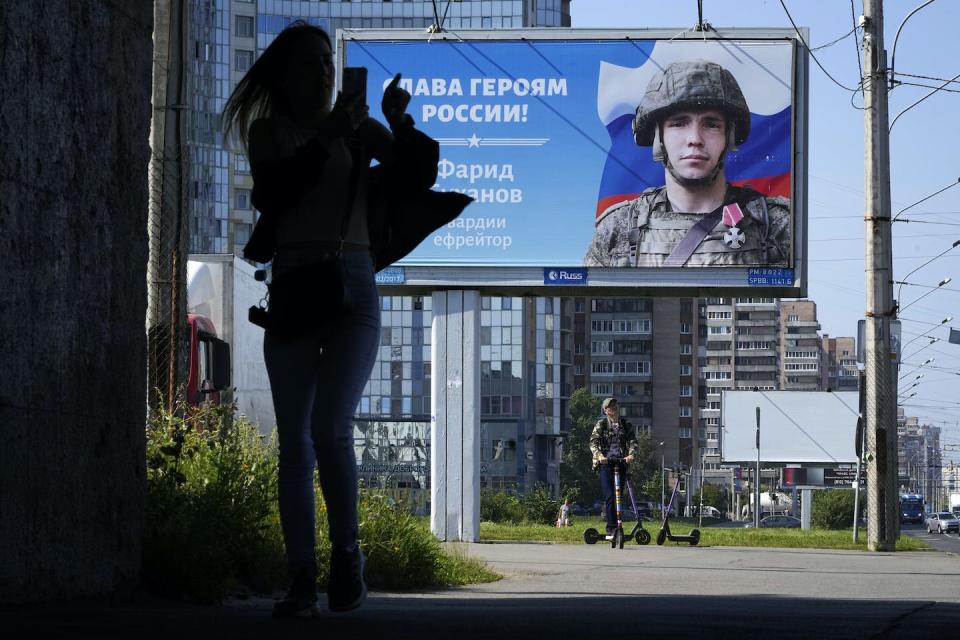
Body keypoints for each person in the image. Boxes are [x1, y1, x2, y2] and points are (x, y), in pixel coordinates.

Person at [222, 22, 469, 618]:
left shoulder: (357, 129)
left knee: (332, 428)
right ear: (284, 73)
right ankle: (301, 577)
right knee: (294, 444)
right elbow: (275, 195)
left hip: (354, 285)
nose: (324, 72)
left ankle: (347, 564)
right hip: (295, 287)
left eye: (328, 62)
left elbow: (418, 175)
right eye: (310, 63)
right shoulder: (269, 132)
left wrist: (396, 120)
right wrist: (325, 136)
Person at [584, 59, 791, 268]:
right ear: (659, 137)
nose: (695, 138)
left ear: (728, 136)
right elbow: (585, 300)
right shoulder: (617, 228)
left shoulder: (774, 223)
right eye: (679, 124)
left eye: (711, 125)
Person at [589, 398, 639, 536]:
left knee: (619, 496)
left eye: (615, 406)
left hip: (621, 462)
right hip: (606, 463)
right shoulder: (602, 424)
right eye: (609, 407)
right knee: (610, 496)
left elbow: (633, 441)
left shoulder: (625, 424)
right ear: (605, 410)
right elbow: (593, 442)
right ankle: (611, 527)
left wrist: (631, 454)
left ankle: (618, 525)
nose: (613, 408)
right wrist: (599, 456)